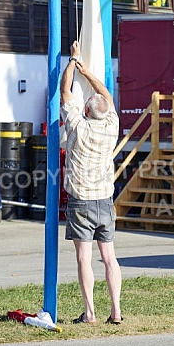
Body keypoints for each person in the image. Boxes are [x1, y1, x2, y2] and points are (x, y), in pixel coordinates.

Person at [60, 40, 122, 325]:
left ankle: (90, 313)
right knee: (109, 258)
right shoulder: (111, 127)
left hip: (81, 201)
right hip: (105, 201)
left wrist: (73, 61)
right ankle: (116, 312)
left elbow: (64, 92)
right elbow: (105, 95)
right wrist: (89, 74)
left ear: (85, 111)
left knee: (84, 258)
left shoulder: (77, 126)